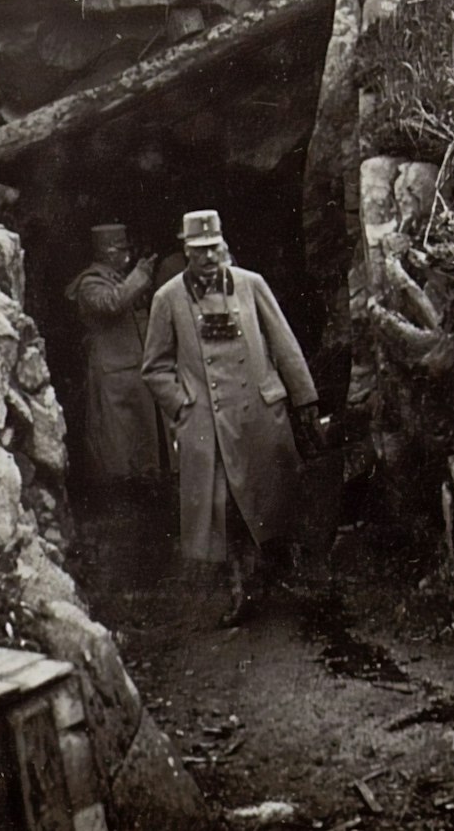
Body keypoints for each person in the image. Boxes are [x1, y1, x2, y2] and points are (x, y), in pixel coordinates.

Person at [142, 209, 324, 625]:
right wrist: (183, 405)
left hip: (259, 415)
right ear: (185, 251)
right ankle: (238, 587)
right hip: (209, 423)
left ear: (223, 245)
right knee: (225, 511)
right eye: (199, 251)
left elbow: (285, 344)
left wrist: (305, 400)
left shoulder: (250, 284)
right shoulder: (167, 298)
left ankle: (281, 576)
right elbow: (154, 367)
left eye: (214, 249)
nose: (209, 258)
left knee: (274, 498)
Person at [65, 223, 162, 494]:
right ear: (107, 252)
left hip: (132, 369)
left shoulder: (122, 279)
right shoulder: (89, 283)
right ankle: (117, 495)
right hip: (111, 373)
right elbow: (111, 303)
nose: (126, 255)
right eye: (122, 250)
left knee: (141, 437)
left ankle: (144, 486)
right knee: (115, 440)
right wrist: (140, 275)